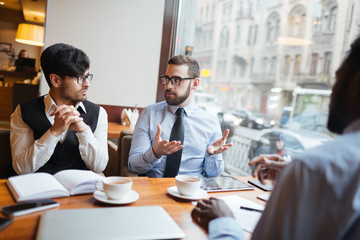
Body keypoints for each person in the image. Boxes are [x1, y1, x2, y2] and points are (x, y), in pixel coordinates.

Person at [192, 36, 360, 240]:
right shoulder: (317, 169)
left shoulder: (316, 167)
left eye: (337, 78)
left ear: (355, 84)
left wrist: (224, 221)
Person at [10, 43, 108, 175]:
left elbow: (99, 167)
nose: (87, 84)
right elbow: (21, 168)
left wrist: (84, 130)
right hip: (36, 190)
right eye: (80, 77)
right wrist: (54, 132)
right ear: (55, 80)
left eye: (87, 76)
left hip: (80, 190)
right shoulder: (23, 111)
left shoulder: (99, 113)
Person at [128, 55, 232, 178]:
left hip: (193, 191)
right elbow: (133, 166)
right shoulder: (149, 114)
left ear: (195, 83)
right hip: (154, 189)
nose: (168, 86)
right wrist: (155, 153)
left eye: (176, 80)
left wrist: (212, 155)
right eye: (166, 79)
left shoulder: (210, 122)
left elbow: (214, 175)